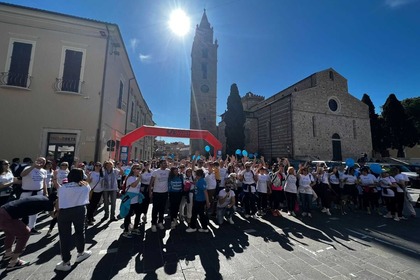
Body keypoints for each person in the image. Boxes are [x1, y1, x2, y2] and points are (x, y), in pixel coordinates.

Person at [0, 196, 54, 271]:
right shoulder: (49, 203)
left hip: (3, 210)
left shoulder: (42, 198)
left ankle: (8, 253)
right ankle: (14, 261)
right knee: (25, 233)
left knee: (10, 233)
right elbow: (54, 215)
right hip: (7, 216)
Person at [55, 168, 91, 271]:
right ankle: (81, 252)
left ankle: (66, 262)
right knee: (80, 232)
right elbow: (87, 185)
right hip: (80, 209)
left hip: (65, 211)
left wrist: (56, 212)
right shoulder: (85, 186)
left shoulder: (63, 187)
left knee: (64, 236)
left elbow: (59, 200)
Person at [20, 157, 48, 234]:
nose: (41, 163)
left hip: (39, 192)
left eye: (43, 162)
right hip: (27, 193)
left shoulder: (44, 171)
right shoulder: (28, 168)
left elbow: (44, 182)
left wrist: (46, 192)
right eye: (40, 161)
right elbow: (22, 174)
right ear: (36, 161)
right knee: (23, 210)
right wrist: (33, 166)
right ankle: (21, 227)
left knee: (35, 211)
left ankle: (32, 227)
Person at [121, 164, 144, 238]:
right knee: (128, 215)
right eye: (137, 168)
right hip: (130, 200)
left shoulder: (137, 177)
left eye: (139, 169)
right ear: (133, 169)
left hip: (136, 199)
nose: (138, 170)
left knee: (138, 214)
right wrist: (139, 178)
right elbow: (133, 185)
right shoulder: (130, 177)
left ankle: (135, 227)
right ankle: (126, 230)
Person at [149, 159, 170, 232]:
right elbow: (151, 183)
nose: (165, 164)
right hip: (156, 192)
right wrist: (150, 192)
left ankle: (160, 222)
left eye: (166, 163)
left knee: (162, 208)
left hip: (164, 193)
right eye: (164, 163)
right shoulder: (156, 172)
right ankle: (153, 223)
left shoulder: (168, 171)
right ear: (160, 164)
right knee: (155, 208)